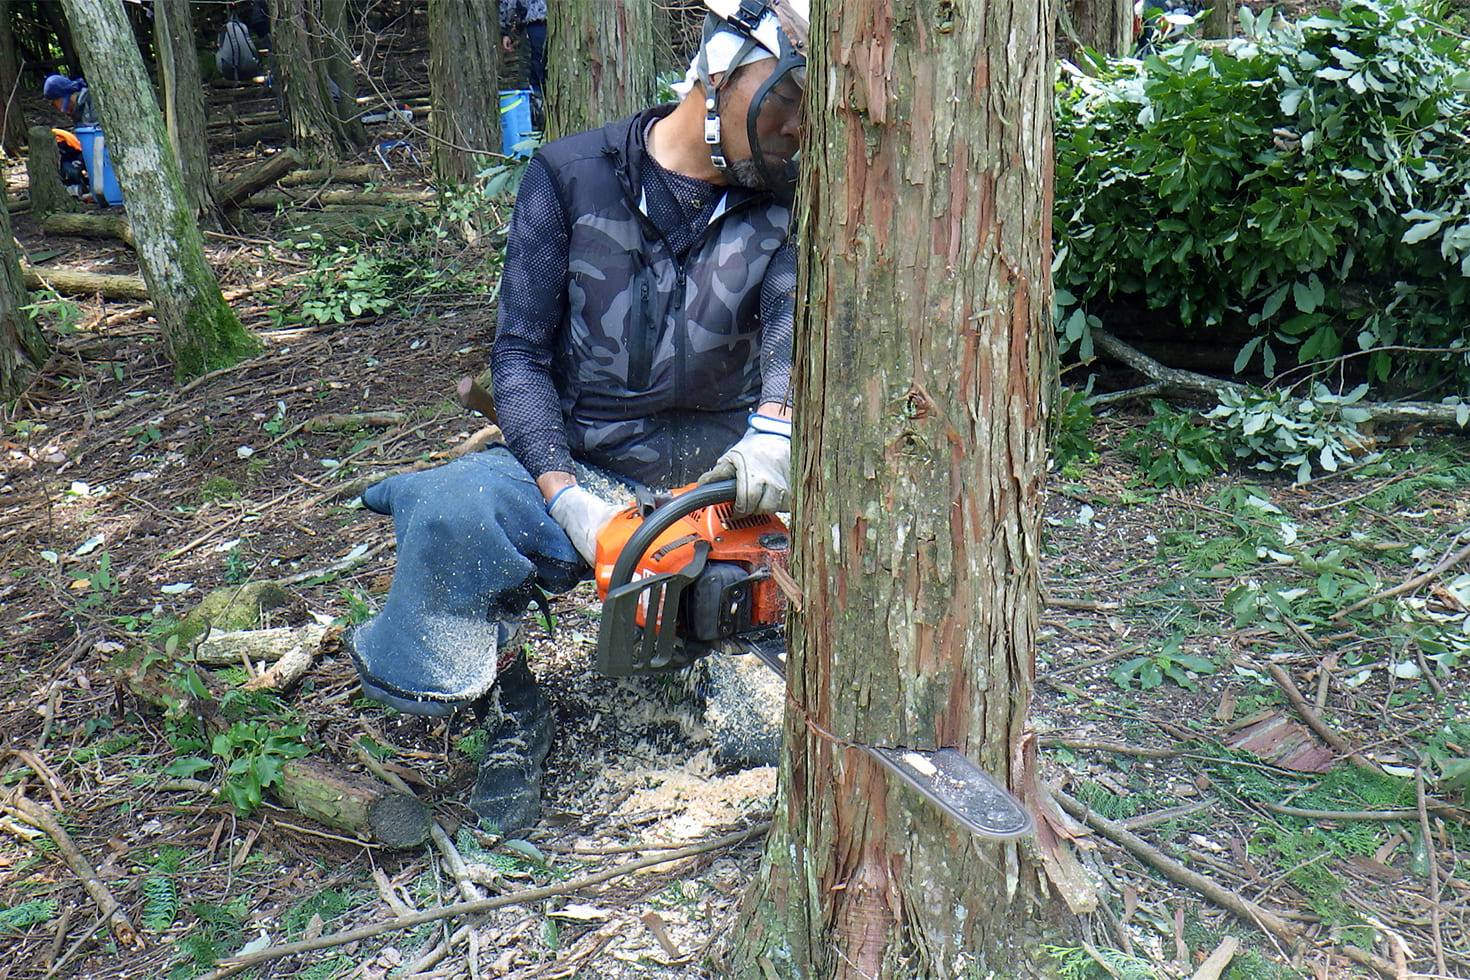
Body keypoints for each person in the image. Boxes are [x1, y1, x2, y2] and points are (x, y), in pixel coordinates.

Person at [347, 0, 808, 834]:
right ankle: (507, 699)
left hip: (725, 481)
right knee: (454, 509)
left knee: (762, 733)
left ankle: (713, 655)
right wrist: (564, 493)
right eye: (789, 96)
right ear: (722, 72)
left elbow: (788, 322)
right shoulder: (571, 175)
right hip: (588, 460)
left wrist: (774, 425)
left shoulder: (784, 208)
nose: (799, 128)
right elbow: (518, 355)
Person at [499, 0, 547, 112]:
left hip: (537, 23)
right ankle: (537, 107)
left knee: (535, 70)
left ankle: (537, 105)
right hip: (536, 22)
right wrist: (505, 31)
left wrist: (506, 29)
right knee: (535, 68)